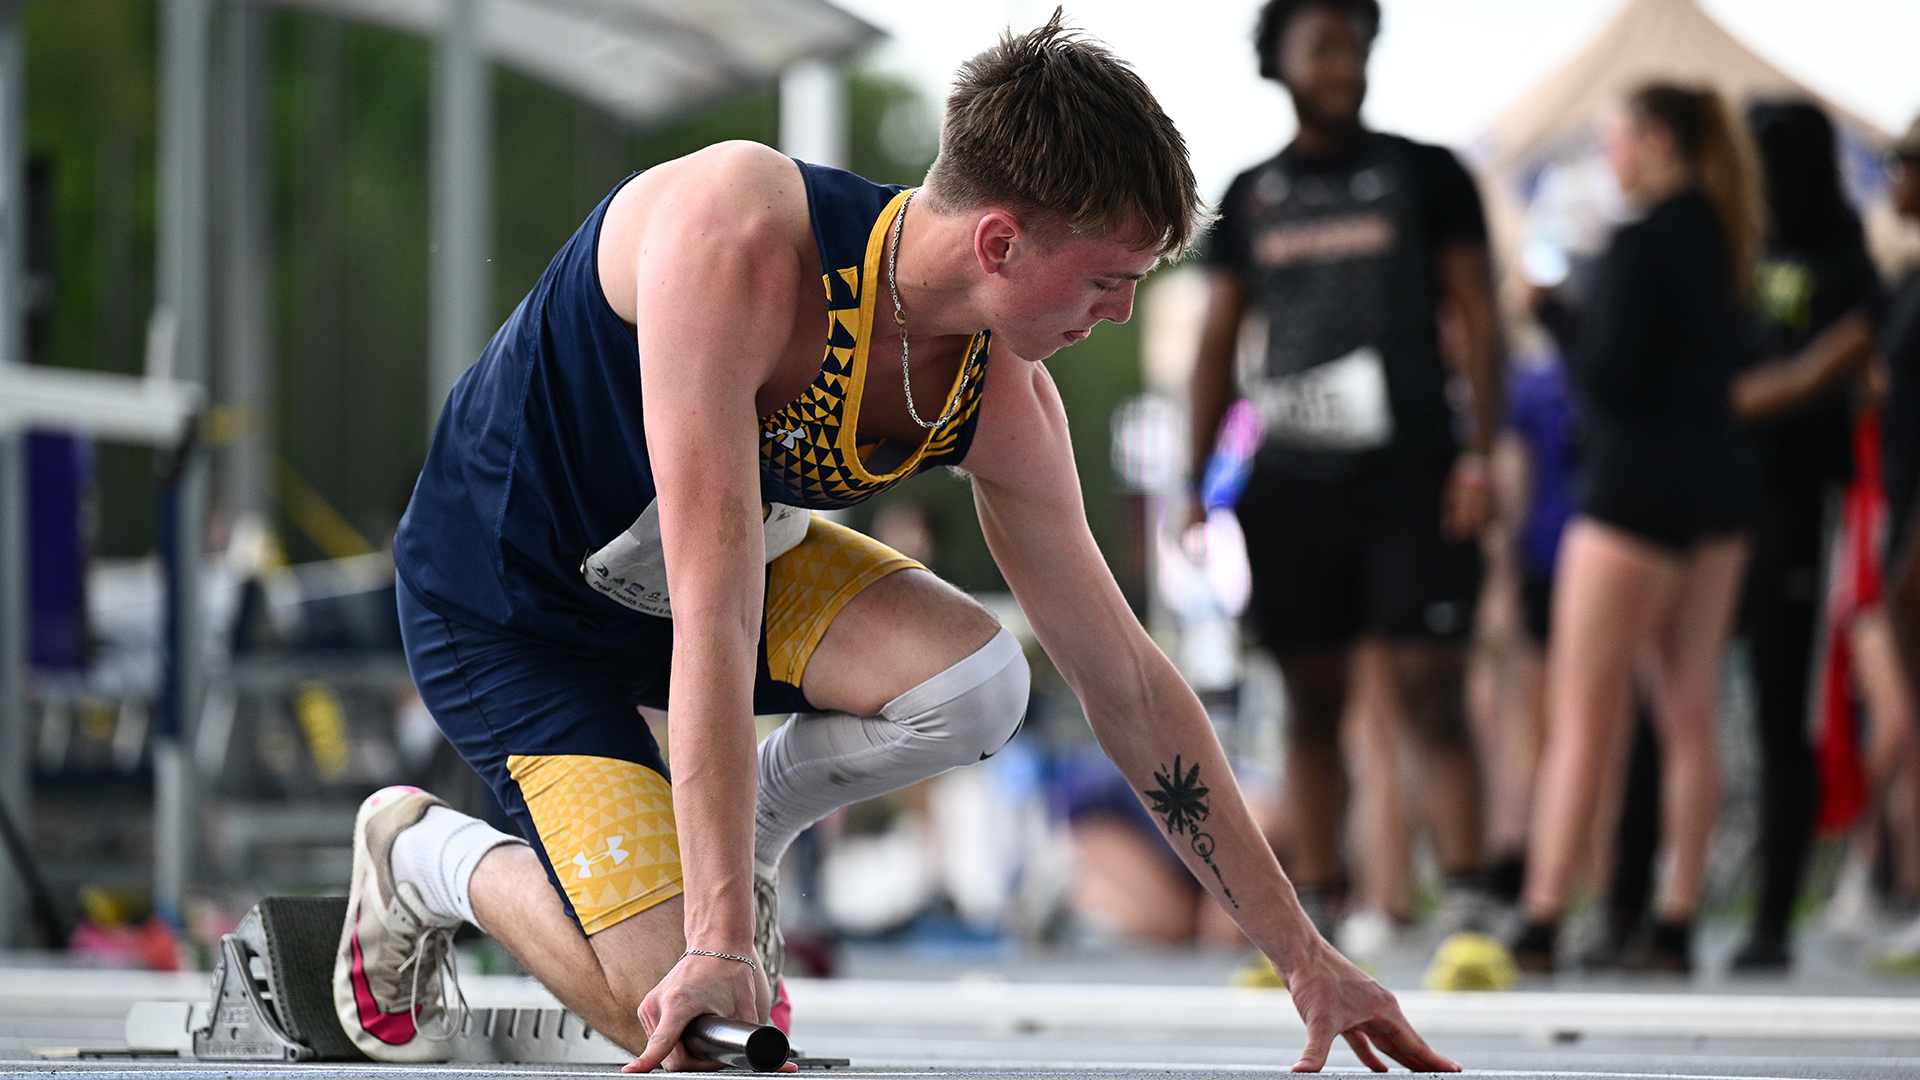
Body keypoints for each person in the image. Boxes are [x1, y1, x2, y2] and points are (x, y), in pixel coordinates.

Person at [331, 13, 1457, 1075]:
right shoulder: (739, 236)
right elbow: (713, 599)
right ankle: (423, 857)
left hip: (696, 589)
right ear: (1002, 240)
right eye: (1109, 280)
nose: (1115, 315)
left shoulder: (1002, 393)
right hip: (510, 608)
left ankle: (747, 828)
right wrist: (721, 940)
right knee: (681, 1014)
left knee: (982, 682)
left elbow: (1126, 681)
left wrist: (1307, 961)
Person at [1187, 0, 1502, 941]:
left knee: (1431, 685)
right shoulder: (1249, 195)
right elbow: (1217, 342)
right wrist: (1195, 488)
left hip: (1414, 471)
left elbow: (1481, 316)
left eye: (1357, 42)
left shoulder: (1428, 175)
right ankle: (1317, 909)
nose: (1344, 61)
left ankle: (1475, 908)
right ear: (1278, 61)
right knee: (1310, 696)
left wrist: (1484, 451)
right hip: (1291, 481)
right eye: (1321, 45)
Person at [1513, 84, 1764, 974]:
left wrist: (1547, 310)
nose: (1607, 156)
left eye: (1613, 138)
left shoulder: (1637, 243)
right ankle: (1675, 919)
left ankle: (1541, 917)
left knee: (1584, 716)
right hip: (1718, 497)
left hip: (1631, 500)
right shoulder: (1722, 238)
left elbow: (1605, 381)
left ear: (1655, 140)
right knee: (1687, 708)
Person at [1719, 100, 1885, 971]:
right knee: (1667, 707)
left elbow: (1827, 375)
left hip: (1796, 510)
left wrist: (1724, 401)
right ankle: (1645, 904)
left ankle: (1775, 913)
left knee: (1789, 716)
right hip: (1713, 507)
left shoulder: (1849, 262)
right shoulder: (1728, 243)